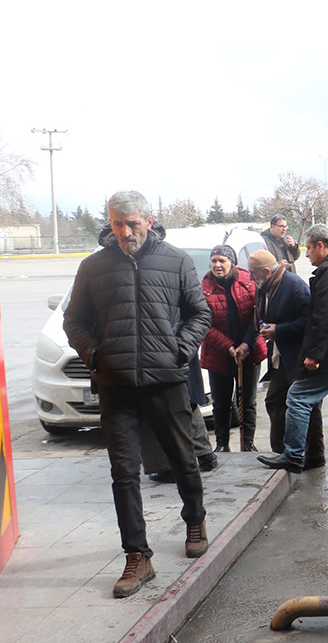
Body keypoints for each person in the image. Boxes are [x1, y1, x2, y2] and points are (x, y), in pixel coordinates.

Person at [63, 190, 212, 598]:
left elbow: (201, 313)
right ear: (108, 223)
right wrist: (96, 354)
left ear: (148, 219)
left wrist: (179, 349)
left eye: (132, 222)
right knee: (124, 474)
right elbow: (73, 320)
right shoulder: (93, 267)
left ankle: (195, 519)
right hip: (116, 386)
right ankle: (137, 556)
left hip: (166, 381)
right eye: (117, 223)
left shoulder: (176, 260)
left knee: (184, 459)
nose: (125, 231)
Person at [257, 224, 328, 476]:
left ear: (321, 246)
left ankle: (292, 456)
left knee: (298, 398)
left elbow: (324, 317)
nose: (307, 254)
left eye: (309, 248)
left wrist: (314, 354)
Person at [250, 251, 324, 463]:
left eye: (253, 274)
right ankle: (281, 451)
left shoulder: (293, 285)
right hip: (280, 356)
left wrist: (279, 330)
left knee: (305, 404)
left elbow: (311, 321)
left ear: (265, 271)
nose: (251, 279)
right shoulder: (265, 287)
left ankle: (314, 455)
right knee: (275, 400)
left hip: (300, 355)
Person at [200, 245, 267, 453]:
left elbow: (259, 315)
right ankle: (222, 445)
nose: (217, 265)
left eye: (222, 260)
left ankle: (248, 444)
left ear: (233, 263)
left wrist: (246, 344)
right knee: (220, 403)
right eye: (214, 261)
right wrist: (228, 346)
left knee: (247, 402)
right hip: (219, 353)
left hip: (249, 351)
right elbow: (203, 323)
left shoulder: (249, 282)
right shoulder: (204, 287)